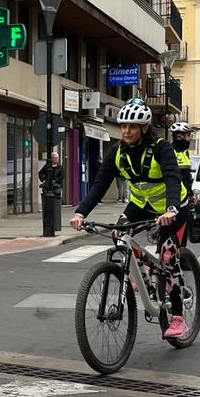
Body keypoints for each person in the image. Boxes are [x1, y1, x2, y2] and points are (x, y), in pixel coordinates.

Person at [68, 102, 189, 339]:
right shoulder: (118, 152)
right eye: (123, 126)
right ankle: (142, 276)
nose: (126, 131)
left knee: (167, 256)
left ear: (144, 128)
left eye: (132, 126)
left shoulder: (161, 148)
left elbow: (173, 179)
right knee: (118, 234)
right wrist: (81, 213)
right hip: (141, 204)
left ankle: (177, 316)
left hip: (172, 207)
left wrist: (171, 208)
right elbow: (100, 185)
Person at [168, 120, 196, 196]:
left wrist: (190, 194)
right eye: (188, 135)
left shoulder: (185, 152)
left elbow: (187, 176)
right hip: (175, 195)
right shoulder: (170, 152)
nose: (189, 139)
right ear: (180, 136)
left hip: (185, 194)